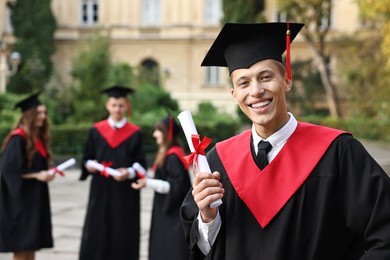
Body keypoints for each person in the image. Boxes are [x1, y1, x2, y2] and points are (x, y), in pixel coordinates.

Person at [180, 22, 390, 259]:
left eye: (266, 77)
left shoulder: (337, 153)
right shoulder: (218, 161)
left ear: (287, 80)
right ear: (234, 95)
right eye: (244, 83)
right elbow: (202, 248)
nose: (256, 91)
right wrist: (207, 219)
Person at [78, 85, 147, 260]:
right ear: (107, 106)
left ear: (127, 107)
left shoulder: (135, 133)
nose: (117, 109)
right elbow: (86, 157)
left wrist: (130, 172)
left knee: (122, 229)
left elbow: (141, 164)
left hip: (124, 192)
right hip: (100, 189)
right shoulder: (96, 130)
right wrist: (89, 166)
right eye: (114, 105)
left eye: (121, 105)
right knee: (97, 227)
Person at [0, 92, 54, 260]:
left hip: (34, 200)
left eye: (44, 113)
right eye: (39, 113)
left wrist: (47, 172)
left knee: (31, 247)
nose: (43, 117)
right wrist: (37, 175)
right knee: (22, 248)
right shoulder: (18, 139)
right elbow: (9, 171)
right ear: (29, 115)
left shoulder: (36, 138)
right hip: (20, 203)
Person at [132, 115, 191, 260]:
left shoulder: (172, 157)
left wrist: (148, 183)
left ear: (167, 134)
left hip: (173, 214)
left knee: (171, 248)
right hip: (167, 209)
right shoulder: (170, 154)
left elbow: (175, 186)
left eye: (158, 130)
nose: (154, 134)